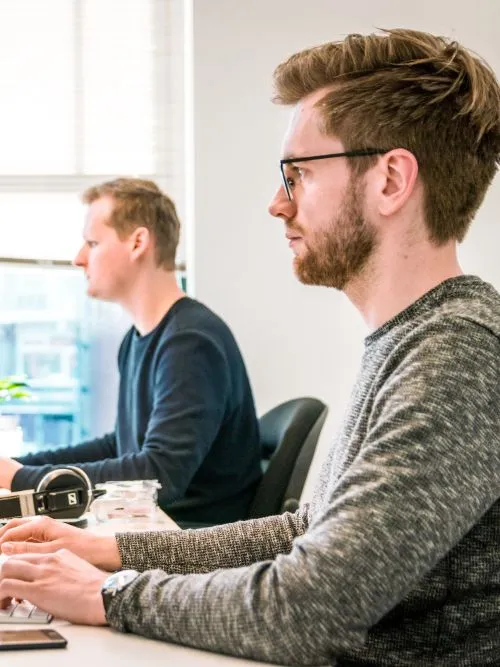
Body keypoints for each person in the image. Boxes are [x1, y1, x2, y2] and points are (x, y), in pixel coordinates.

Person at [1, 28, 500, 666]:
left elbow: (309, 608)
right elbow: (307, 531)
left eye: (296, 175)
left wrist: (109, 593)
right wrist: (112, 551)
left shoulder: (458, 353)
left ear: (391, 180)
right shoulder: (411, 339)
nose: (276, 203)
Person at [0, 178, 262, 526]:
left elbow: (159, 476)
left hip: (188, 539)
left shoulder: (191, 342)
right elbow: (120, 446)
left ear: (138, 242)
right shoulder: (139, 339)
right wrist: (20, 467)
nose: (79, 259)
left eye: (92, 243)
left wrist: (22, 479)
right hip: (153, 527)